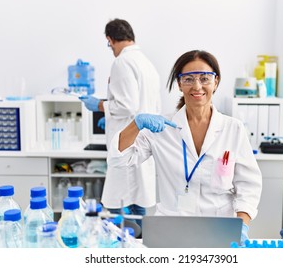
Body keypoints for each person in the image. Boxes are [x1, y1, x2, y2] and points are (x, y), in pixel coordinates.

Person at [107, 50, 262, 244]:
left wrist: (242, 226)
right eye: (188, 79)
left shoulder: (233, 129)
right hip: (171, 227)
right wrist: (135, 124)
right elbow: (119, 160)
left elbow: (248, 185)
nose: (197, 86)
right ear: (179, 84)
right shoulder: (161, 128)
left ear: (216, 82)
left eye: (205, 78)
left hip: (220, 227)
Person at [79, 19, 161, 229]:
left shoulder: (122, 62)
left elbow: (127, 105)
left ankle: (126, 247)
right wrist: (109, 115)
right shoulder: (146, 62)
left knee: (117, 204)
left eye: (109, 45)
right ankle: (138, 242)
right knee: (137, 204)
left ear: (110, 40)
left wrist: (99, 105)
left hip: (127, 144)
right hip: (144, 142)